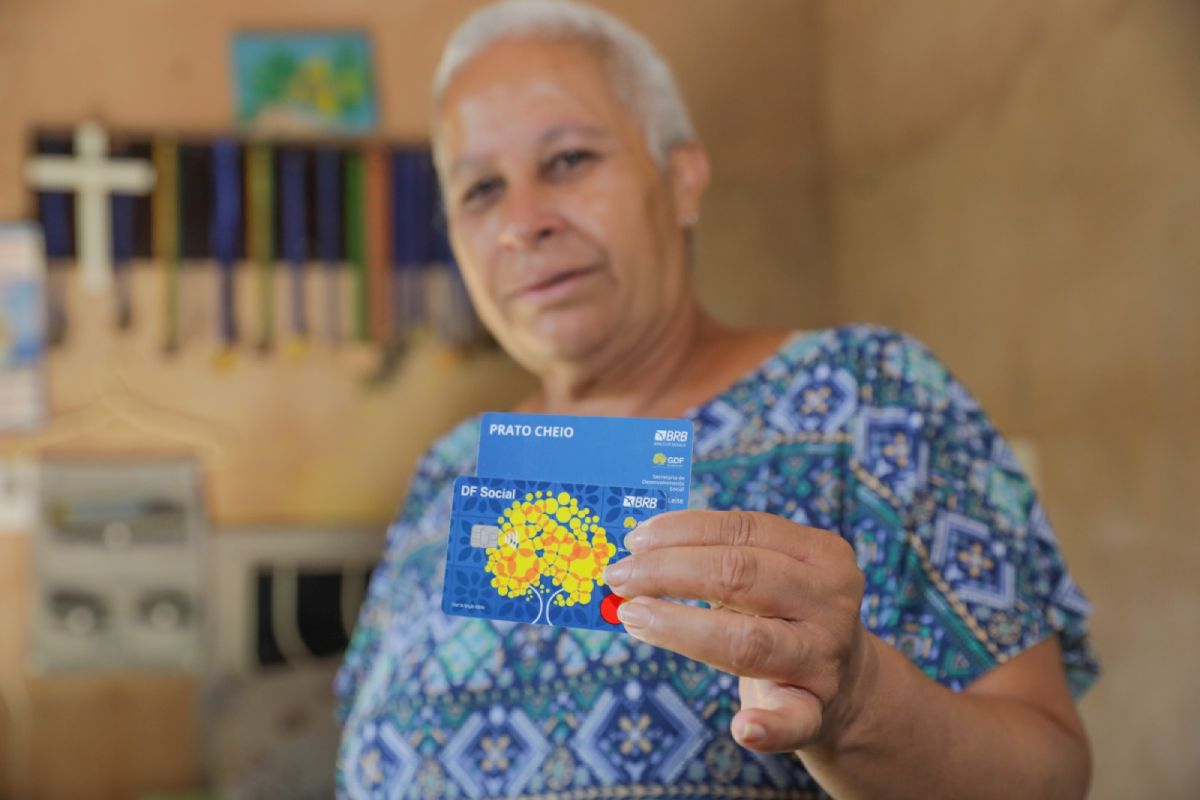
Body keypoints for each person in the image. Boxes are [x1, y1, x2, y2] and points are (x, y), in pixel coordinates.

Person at [336, 1, 1098, 797]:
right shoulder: (453, 469)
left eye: (566, 160)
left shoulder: (866, 399)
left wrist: (861, 703)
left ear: (683, 180)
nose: (523, 223)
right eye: (482, 189)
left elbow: (1048, 771)